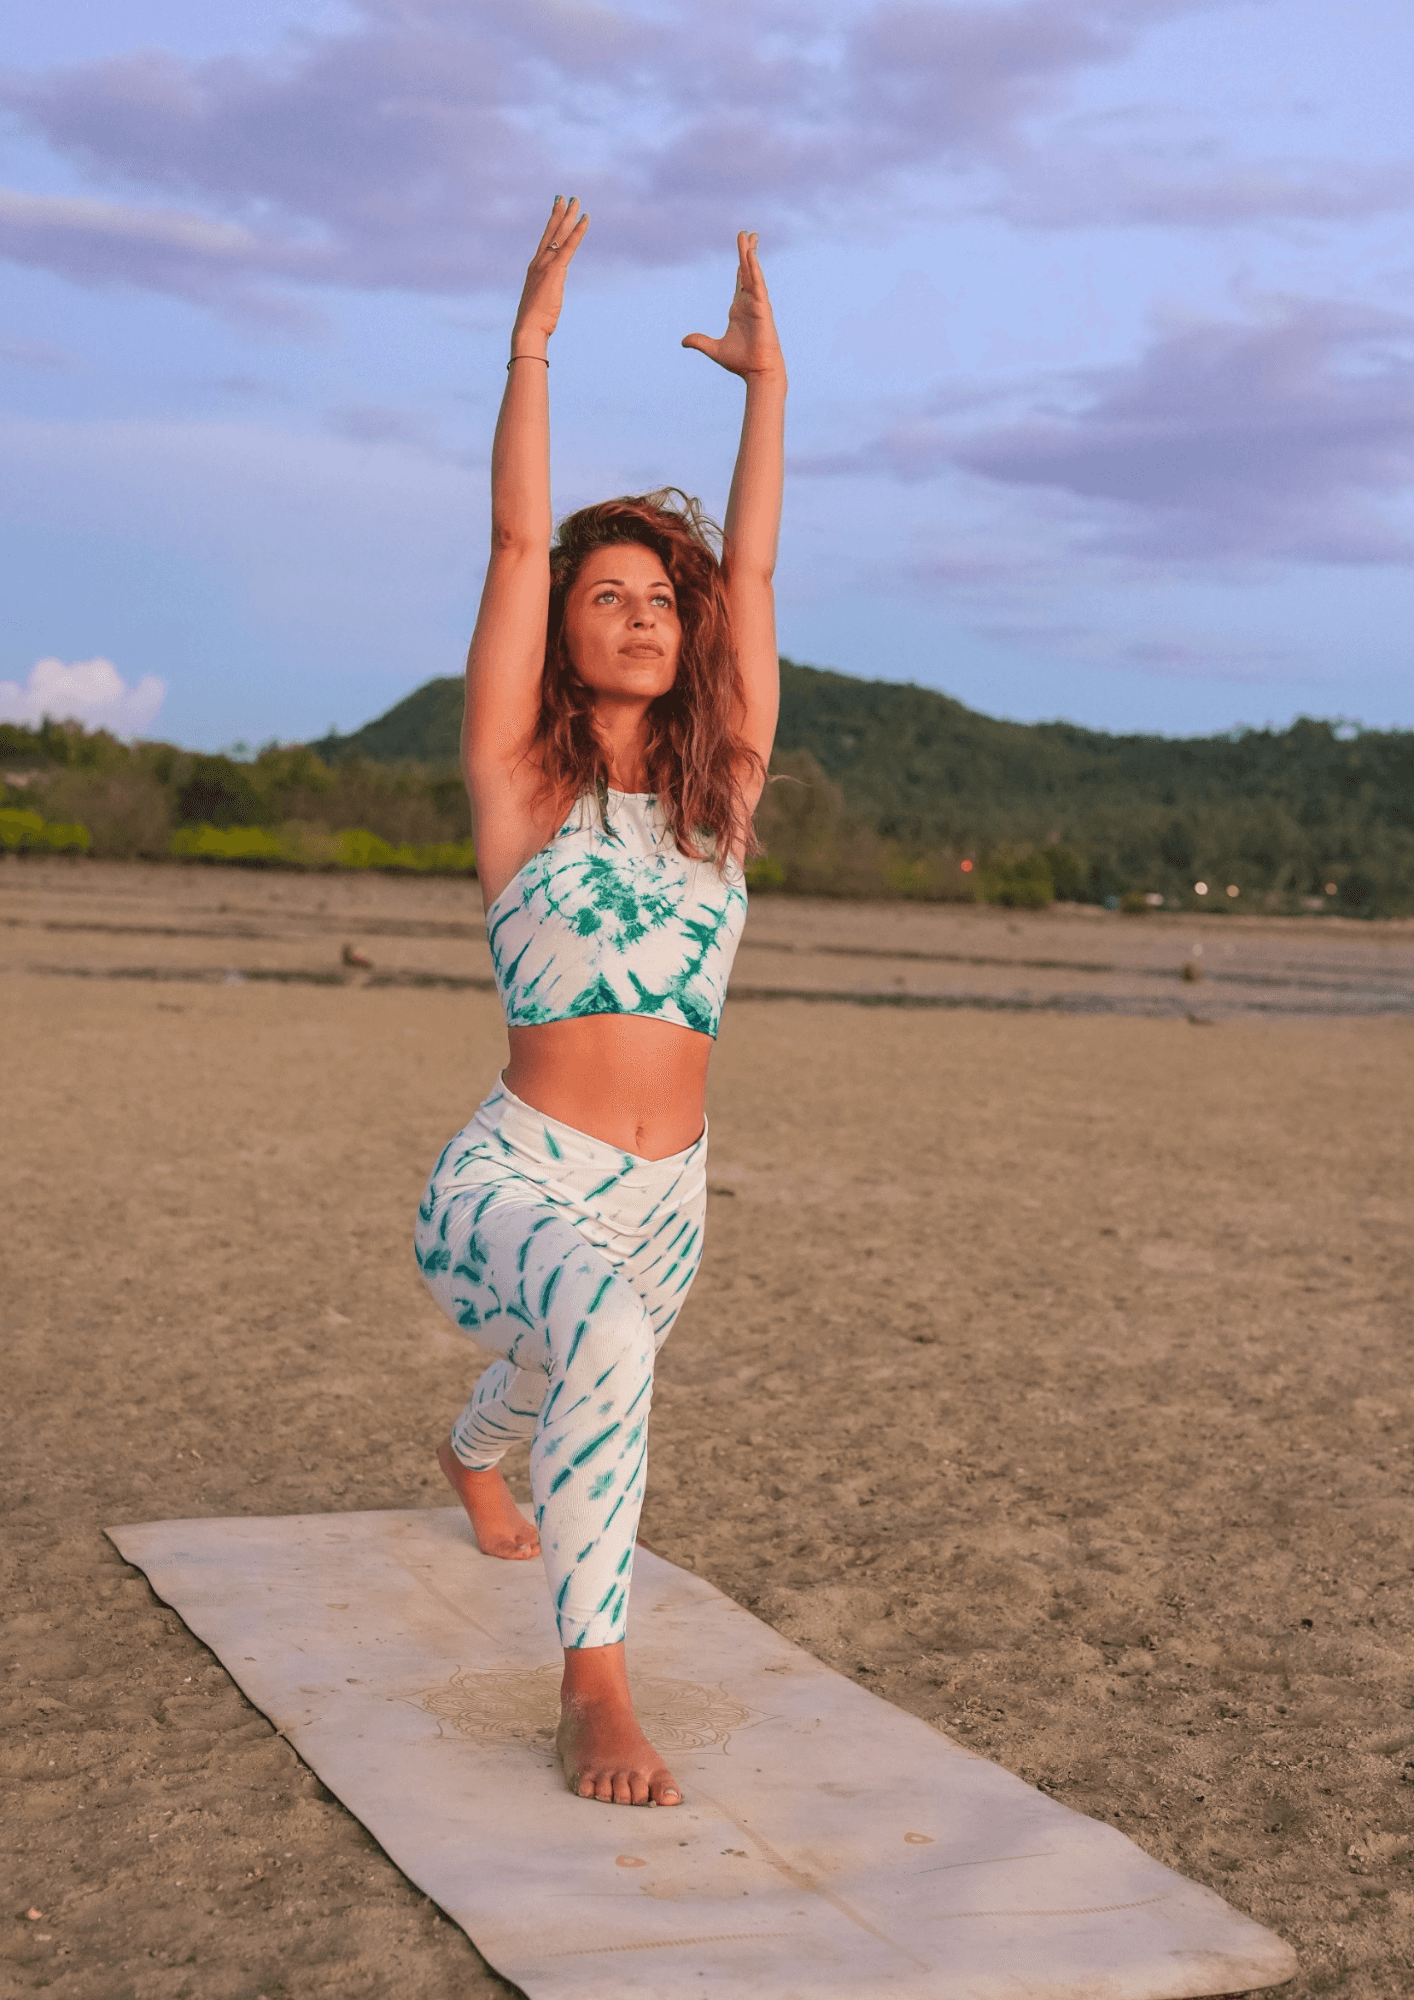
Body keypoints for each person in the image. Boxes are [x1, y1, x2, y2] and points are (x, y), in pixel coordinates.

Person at [415, 196, 785, 1808]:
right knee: (603, 1337)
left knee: (576, 1353)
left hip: (669, 1196)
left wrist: (768, 393)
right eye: (606, 595)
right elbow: (514, 542)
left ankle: (469, 1457)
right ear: (562, 632)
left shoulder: (722, 798)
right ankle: (595, 1694)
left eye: (659, 599)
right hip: (511, 1177)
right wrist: (530, 344)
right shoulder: (519, 785)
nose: (640, 613)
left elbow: (752, 567)